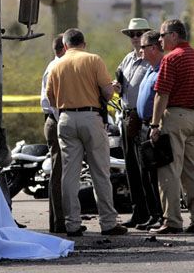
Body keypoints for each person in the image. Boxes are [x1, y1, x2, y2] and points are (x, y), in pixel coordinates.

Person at [46, 28, 127, 237]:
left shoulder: (56, 65)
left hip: (65, 119)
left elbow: (51, 99)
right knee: (99, 171)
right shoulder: (93, 60)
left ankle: (71, 224)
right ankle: (108, 222)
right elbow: (108, 93)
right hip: (90, 118)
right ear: (84, 43)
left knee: (69, 174)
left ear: (65, 46)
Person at [149, 19, 194, 234]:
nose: (160, 39)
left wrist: (154, 124)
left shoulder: (171, 59)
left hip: (174, 116)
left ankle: (173, 221)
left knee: (168, 170)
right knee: (193, 171)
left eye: (162, 35)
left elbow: (162, 94)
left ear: (174, 35)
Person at [114, 18, 152, 228]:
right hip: (127, 117)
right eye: (132, 35)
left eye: (139, 34)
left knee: (145, 167)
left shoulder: (152, 60)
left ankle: (152, 212)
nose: (135, 39)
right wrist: (117, 87)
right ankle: (139, 212)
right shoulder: (128, 59)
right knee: (131, 168)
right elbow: (120, 84)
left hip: (144, 118)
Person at [134, 30, 164, 230]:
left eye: (143, 47)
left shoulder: (163, 68)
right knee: (145, 174)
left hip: (155, 126)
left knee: (155, 174)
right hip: (143, 125)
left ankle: (162, 215)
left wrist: (155, 124)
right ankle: (153, 215)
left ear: (153, 48)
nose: (139, 51)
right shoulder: (149, 69)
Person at [40, 35, 67, 233]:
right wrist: (63, 120)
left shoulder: (55, 65)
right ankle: (59, 222)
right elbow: (53, 100)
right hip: (57, 120)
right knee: (59, 173)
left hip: (54, 119)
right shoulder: (57, 67)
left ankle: (60, 220)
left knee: (61, 171)